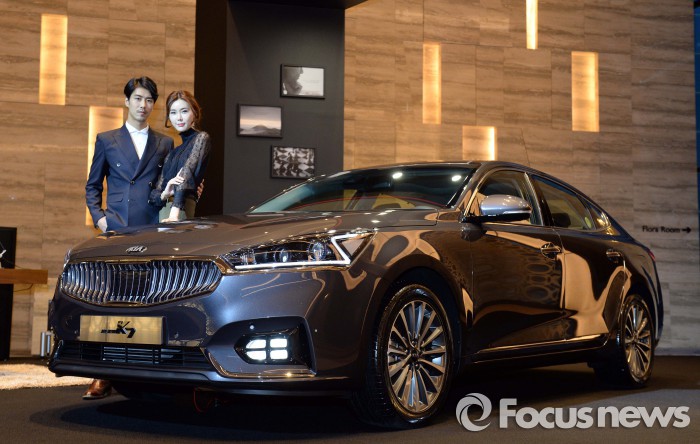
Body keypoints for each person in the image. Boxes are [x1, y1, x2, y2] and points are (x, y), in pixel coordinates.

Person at [83, 76, 175, 400]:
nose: (143, 105)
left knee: (147, 302)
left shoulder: (165, 143)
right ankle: (102, 375)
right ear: (126, 101)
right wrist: (100, 219)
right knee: (109, 300)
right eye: (137, 98)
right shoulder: (106, 139)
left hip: (151, 229)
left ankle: (142, 373)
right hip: (117, 231)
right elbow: (92, 186)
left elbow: (167, 187)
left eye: (149, 100)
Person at [149, 90, 210, 221]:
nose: (179, 118)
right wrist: (165, 194)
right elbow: (154, 195)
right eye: (173, 112)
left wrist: (174, 214)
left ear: (195, 112)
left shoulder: (201, 138)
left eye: (184, 111)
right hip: (163, 214)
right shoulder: (172, 153)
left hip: (179, 213)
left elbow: (185, 175)